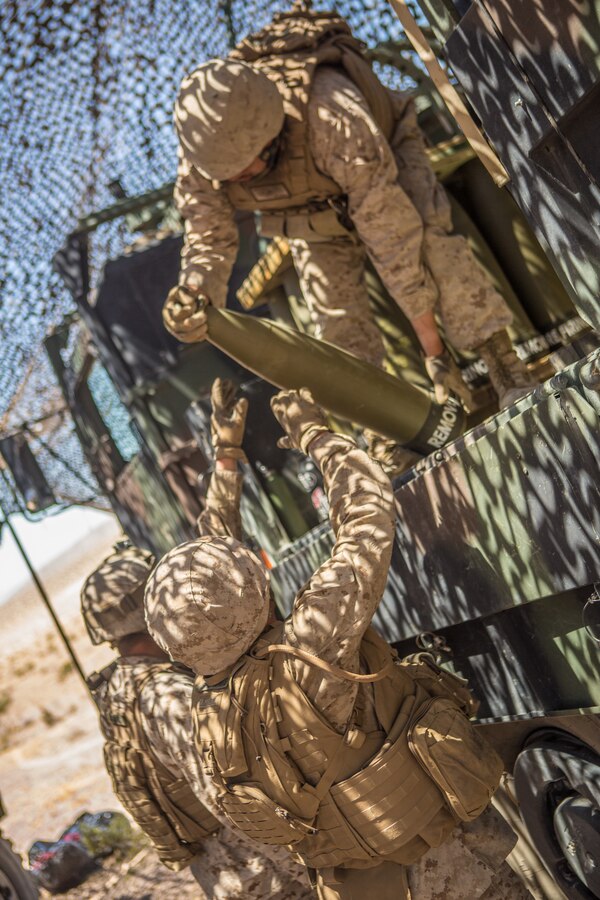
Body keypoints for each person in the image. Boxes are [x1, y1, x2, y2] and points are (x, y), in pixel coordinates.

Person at [145, 387, 531, 900]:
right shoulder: (310, 648)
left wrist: (226, 459)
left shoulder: (206, 707)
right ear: (249, 588)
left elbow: (207, 590)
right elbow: (368, 515)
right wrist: (315, 435)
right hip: (452, 875)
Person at [162, 5, 536, 467]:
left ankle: (507, 369)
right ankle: (381, 435)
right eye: (229, 174)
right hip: (309, 215)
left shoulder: (330, 112)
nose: (238, 180)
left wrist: (435, 356)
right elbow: (207, 234)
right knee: (335, 321)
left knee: (437, 255)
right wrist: (196, 292)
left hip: (386, 166)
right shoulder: (207, 156)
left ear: (270, 132)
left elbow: (394, 239)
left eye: (246, 169)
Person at [81, 378, 312, 899]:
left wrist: (224, 458)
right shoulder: (165, 695)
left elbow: (212, 542)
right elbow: (232, 797)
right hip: (260, 872)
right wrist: (319, 861)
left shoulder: (125, 683)